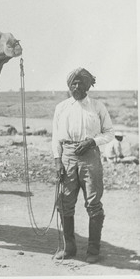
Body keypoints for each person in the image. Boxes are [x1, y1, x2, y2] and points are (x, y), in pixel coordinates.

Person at [52, 68, 114, 263]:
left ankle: (93, 251)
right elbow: (55, 137)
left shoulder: (97, 107)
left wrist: (92, 142)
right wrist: (57, 162)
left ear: (88, 85)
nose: (77, 86)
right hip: (67, 157)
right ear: (69, 86)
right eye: (73, 83)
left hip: (90, 157)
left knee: (94, 205)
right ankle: (69, 248)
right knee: (65, 203)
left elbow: (109, 133)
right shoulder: (61, 107)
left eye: (81, 83)